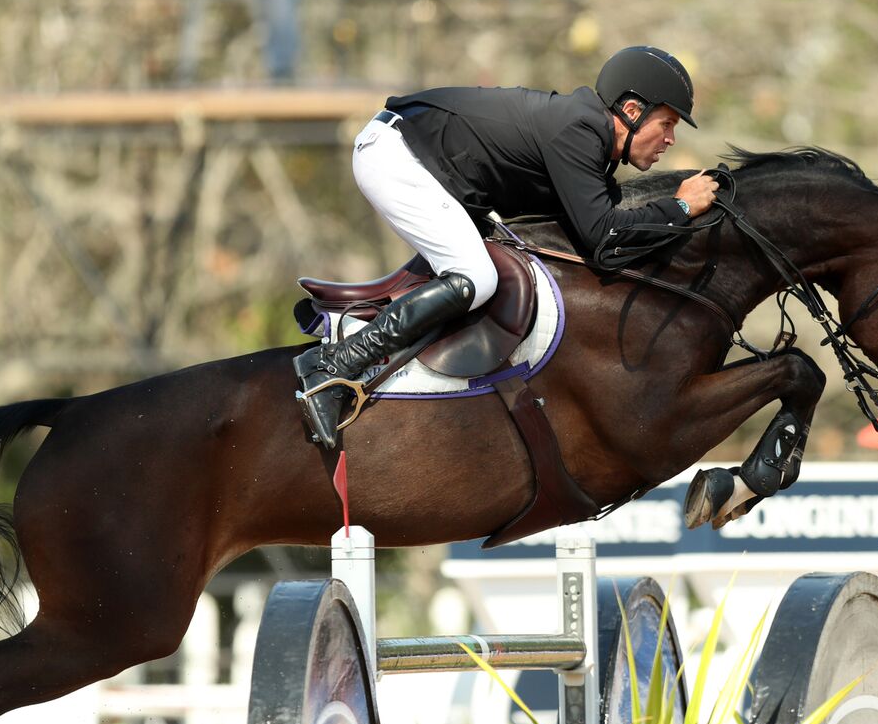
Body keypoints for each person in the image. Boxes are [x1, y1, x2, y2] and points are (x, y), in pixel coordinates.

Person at [294, 46, 720, 448]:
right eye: (667, 124)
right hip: (396, 156)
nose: (671, 139)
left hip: (422, 161)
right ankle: (334, 366)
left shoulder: (591, 141)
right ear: (632, 111)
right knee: (477, 278)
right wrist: (681, 206)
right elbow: (605, 236)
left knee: (489, 270)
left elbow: (605, 237)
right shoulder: (578, 130)